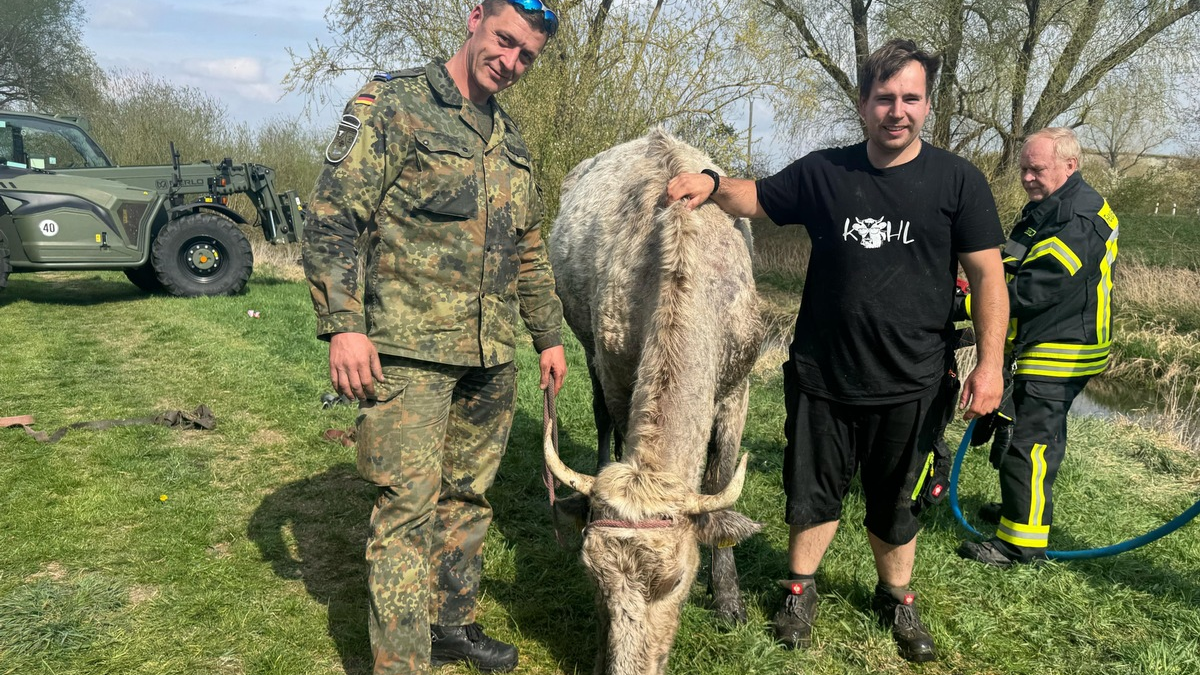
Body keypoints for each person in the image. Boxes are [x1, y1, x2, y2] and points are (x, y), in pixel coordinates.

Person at [667, 38, 1008, 663]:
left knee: (896, 498)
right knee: (812, 492)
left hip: (913, 379)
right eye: (884, 98)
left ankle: (896, 597)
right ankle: (799, 592)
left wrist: (988, 366)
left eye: (911, 98)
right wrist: (712, 182)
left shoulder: (959, 181)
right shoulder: (827, 172)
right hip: (823, 373)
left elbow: (989, 279)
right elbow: (759, 198)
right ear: (863, 102)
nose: (896, 111)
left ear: (928, 104)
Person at [301, 1, 567, 673]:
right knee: (406, 511)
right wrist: (345, 325)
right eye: (504, 41)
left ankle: (450, 623)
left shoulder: (510, 141)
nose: (510, 62)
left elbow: (529, 248)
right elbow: (334, 216)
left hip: (490, 357)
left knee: (469, 498)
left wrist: (550, 336)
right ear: (476, 15)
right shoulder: (393, 104)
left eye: (526, 57)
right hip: (408, 353)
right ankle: (402, 663)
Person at [957, 127, 1119, 567]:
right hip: (1040, 341)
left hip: (1062, 349)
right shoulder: (1042, 209)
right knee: (1035, 437)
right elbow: (1009, 264)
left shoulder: (1080, 219)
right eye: (1024, 168)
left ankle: (1019, 545)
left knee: (1028, 443)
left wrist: (966, 303)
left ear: (1070, 165)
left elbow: (1035, 289)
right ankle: (1023, 513)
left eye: (1037, 169)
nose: (1027, 177)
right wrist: (976, 282)